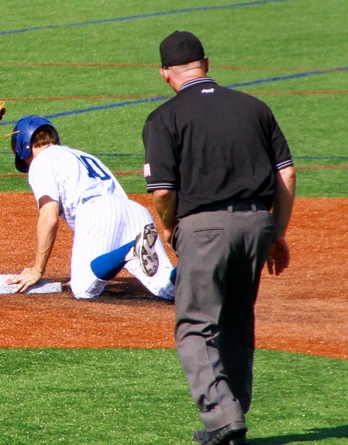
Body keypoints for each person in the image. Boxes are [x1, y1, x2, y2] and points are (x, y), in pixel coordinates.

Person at [142, 31, 295, 445]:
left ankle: (223, 416)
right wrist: (277, 232)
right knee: (237, 322)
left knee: (195, 325)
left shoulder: (164, 118)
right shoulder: (254, 108)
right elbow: (286, 174)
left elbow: (162, 192)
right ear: (206, 64)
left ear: (164, 74)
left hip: (204, 228)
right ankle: (233, 420)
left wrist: (171, 226)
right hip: (257, 225)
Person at [6, 115, 175, 301]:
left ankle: (132, 250)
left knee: (83, 289)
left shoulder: (41, 161)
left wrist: (37, 269)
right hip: (134, 210)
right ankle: (202, 268)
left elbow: (49, 217)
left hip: (97, 210)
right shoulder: (82, 155)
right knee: (167, 287)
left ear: (23, 146)